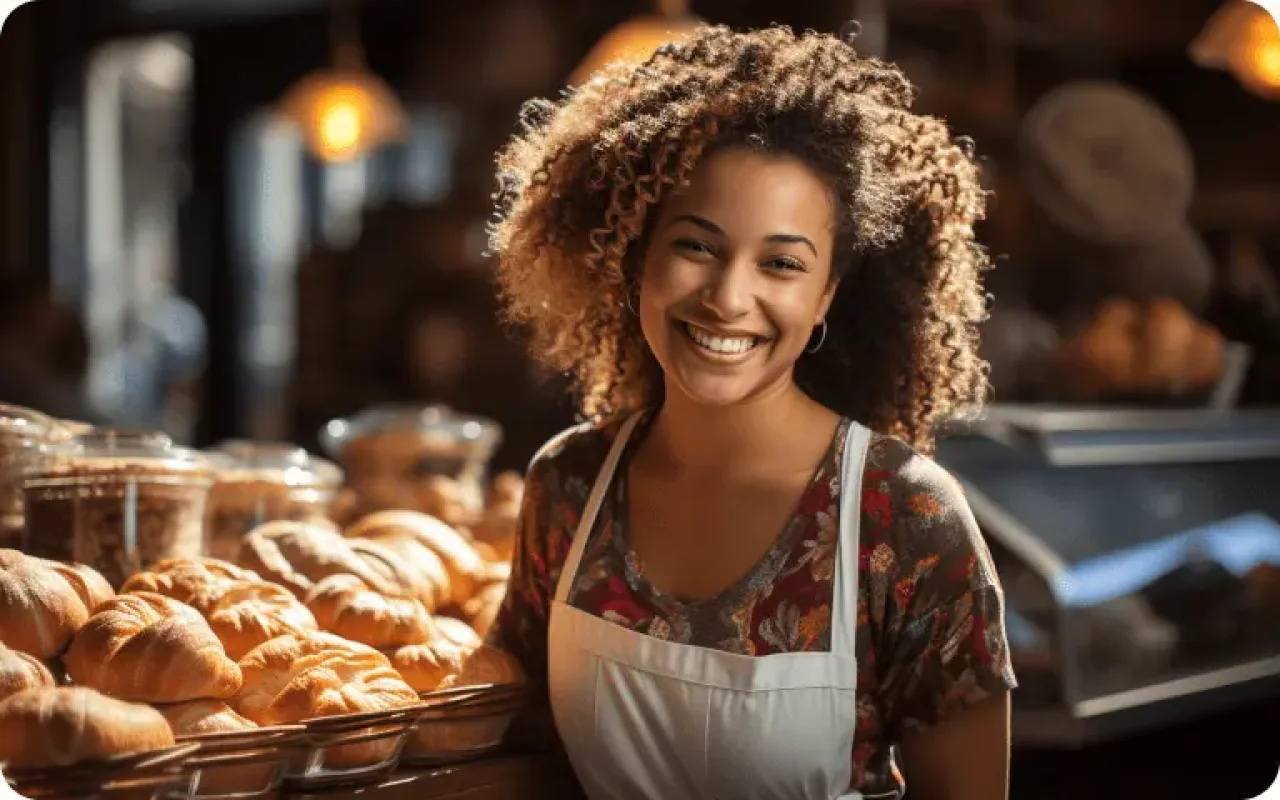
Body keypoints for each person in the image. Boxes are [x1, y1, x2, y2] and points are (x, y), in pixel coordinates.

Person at [486, 23, 1016, 800]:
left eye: (781, 263)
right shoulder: (569, 485)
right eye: (696, 246)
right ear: (635, 255)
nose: (729, 298)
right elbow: (521, 754)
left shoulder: (903, 517)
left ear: (827, 296)